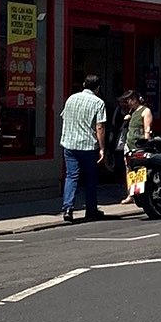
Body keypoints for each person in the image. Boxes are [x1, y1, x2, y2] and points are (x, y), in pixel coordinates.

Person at [59, 73, 107, 222]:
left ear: (84, 85)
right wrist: (102, 148)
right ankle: (91, 210)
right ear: (97, 88)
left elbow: (64, 117)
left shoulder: (71, 99)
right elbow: (100, 127)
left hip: (69, 144)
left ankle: (68, 208)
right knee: (90, 178)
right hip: (87, 146)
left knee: (71, 176)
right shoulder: (98, 102)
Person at [120, 88, 152, 203]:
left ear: (135, 99)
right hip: (129, 144)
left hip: (139, 145)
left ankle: (138, 194)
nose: (128, 103)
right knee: (129, 169)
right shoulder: (131, 112)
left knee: (139, 170)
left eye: (129, 100)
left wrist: (146, 142)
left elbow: (147, 129)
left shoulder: (145, 111)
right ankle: (130, 194)